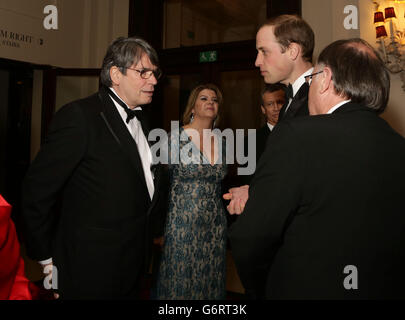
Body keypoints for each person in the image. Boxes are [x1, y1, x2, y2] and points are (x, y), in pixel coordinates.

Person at [228, 38, 405, 299]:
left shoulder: (296, 135)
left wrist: (262, 287)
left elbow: (250, 237)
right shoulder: (399, 145)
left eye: (311, 80)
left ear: (326, 79)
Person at [21, 36, 166, 299]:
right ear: (115, 74)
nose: (154, 80)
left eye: (155, 73)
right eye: (143, 72)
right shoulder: (79, 117)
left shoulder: (143, 121)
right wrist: (46, 261)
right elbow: (37, 192)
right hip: (87, 268)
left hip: (132, 266)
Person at [226, 14, 315, 213]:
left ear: (292, 51)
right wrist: (254, 190)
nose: (257, 61)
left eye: (264, 52)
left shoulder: (323, 95)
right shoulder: (290, 102)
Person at [155, 84, 228, 300]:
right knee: (180, 284)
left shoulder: (223, 142)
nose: (210, 103)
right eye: (204, 98)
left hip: (215, 226)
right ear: (193, 107)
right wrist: (157, 229)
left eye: (214, 100)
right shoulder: (175, 139)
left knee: (210, 283)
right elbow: (159, 185)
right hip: (181, 225)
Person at [240, 83, 286, 185]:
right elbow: (247, 181)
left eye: (280, 102)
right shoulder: (250, 142)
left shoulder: (298, 135)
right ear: (263, 109)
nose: (276, 108)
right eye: (270, 104)